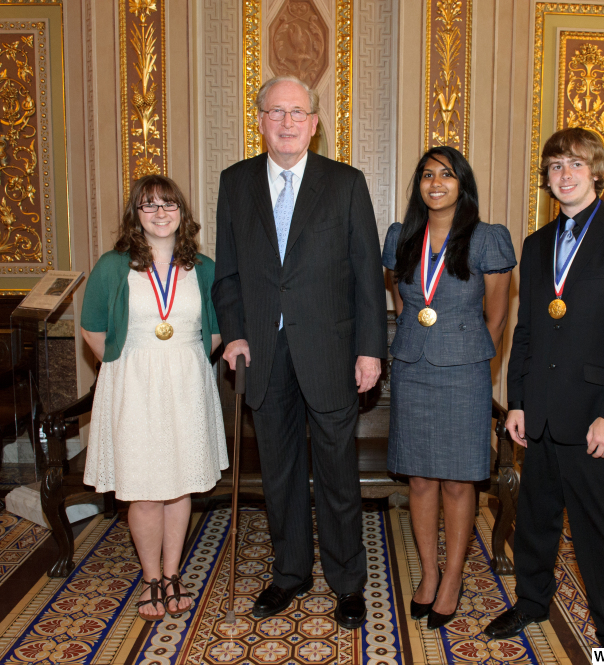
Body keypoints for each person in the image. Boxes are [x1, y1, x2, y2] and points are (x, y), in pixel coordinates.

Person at [211, 75, 387, 629]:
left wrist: (370, 351)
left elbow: (366, 276)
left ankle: (347, 582)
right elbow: (228, 274)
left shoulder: (346, 184)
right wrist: (234, 332)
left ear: (314, 123)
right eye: (276, 112)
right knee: (280, 475)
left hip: (332, 352)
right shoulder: (235, 183)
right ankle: (289, 574)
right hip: (261, 352)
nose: (287, 122)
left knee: (338, 475)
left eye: (298, 113)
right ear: (259, 119)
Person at [484, 127, 604, 647]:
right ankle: (532, 603)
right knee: (535, 521)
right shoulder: (536, 246)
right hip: (539, 413)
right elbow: (529, 329)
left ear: (597, 172)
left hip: (595, 417)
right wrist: (516, 402)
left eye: (575, 165)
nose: (564, 175)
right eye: (556, 166)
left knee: (597, 529)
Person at [80, 175, 227, 621]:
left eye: (169, 205)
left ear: (182, 213)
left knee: (179, 483)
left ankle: (173, 572)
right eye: (149, 206)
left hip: (186, 382)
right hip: (134, 383)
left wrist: (184, 360)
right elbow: (91, 327)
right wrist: (129, 364)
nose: (160, 214)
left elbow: (218, 329)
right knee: (144, 489)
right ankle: (150, 580)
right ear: (135, 215)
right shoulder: (113, 265)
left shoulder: (203, 267)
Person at [382, 147, 515, 630]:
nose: (435, 182)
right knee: (419, 478)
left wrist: (473, 355)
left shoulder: (486, 239)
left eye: (446, 174)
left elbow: (497, 316)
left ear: (463, 183)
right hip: (414, 365)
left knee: (459, 481)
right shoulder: (401, 236)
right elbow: (400, 298)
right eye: (426, 174)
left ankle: (454, 576)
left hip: (464, 371)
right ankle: (429, 573)